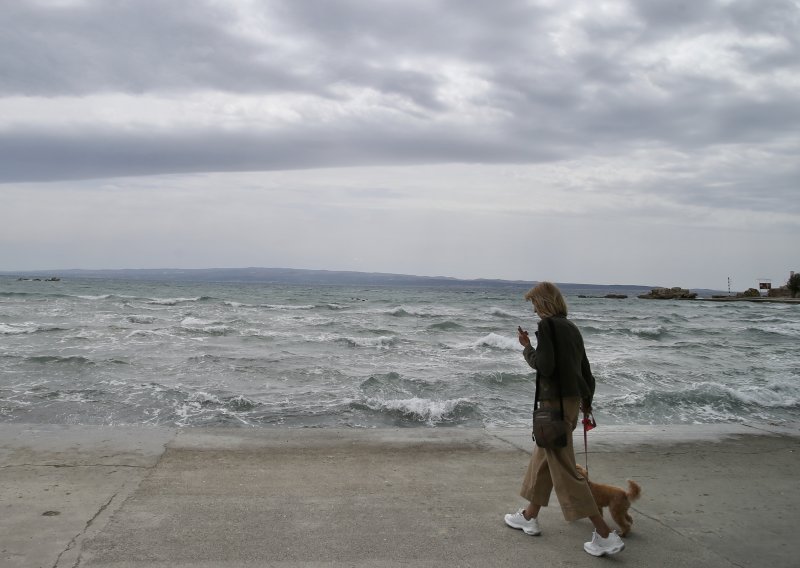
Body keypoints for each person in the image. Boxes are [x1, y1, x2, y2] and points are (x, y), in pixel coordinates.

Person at [504, 282, 625, 557]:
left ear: (545, 302)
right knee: (543, 461)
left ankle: (605, 535)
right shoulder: (571, 328)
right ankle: (529, 516)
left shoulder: (547, 327)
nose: (534, 309)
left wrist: (527, 348)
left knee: (565, 470)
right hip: (570, 404)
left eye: (535, 303)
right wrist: (586, 402)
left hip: (553, 407)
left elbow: (545, 366)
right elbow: (586, 370)